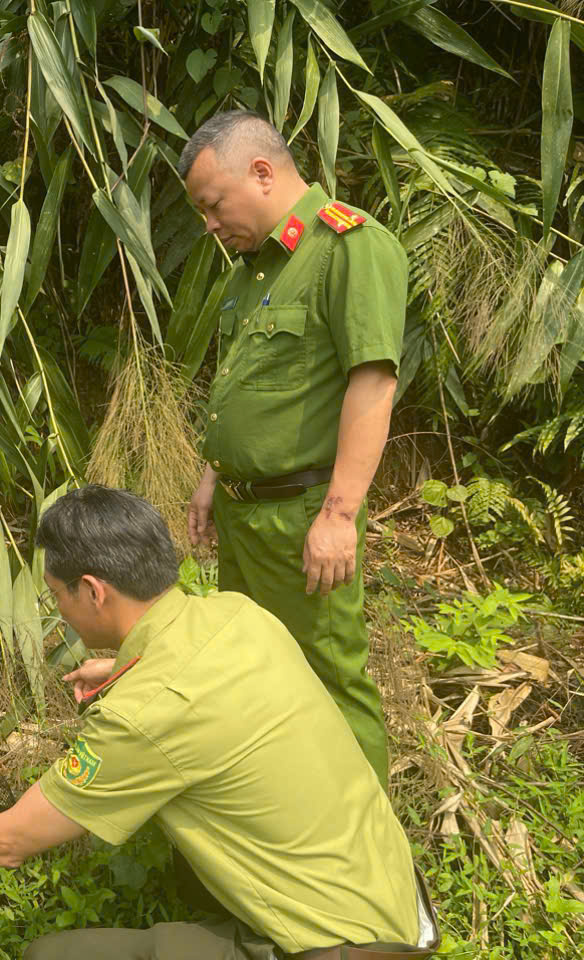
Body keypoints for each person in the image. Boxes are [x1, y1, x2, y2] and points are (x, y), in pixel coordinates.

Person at [0, 485, 437, 960]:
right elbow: (193, 686)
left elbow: (7, 842)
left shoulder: (144, 714)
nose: (58, 611)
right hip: (397, 909)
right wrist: (129, 666)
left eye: (57, 596)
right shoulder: (239, 614)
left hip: (336, 950)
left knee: (52, 956)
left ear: (93, 590)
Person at [181, 110, 407, 788]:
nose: (210, 226)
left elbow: (373, 380)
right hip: (245, 518)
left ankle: (371, 864)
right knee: (259, 675)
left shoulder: (348, 247)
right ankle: (294, 821)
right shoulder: (251, 272)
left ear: (261, 172)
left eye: (213, 206)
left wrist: (339, 516)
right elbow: (246, 385)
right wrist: (210, 473)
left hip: (301, 515)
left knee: (330, 681)